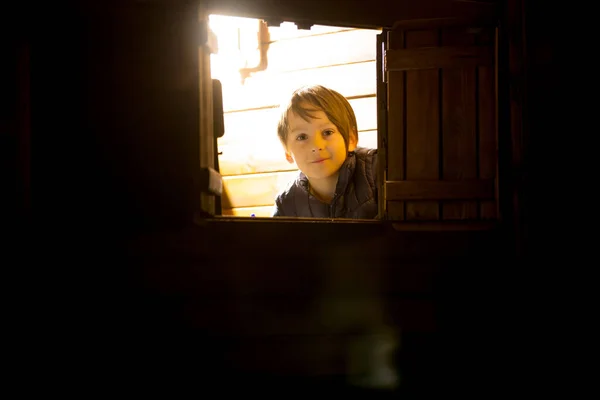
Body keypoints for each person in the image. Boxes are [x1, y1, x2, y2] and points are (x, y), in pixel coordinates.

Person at [272, 85, 378, 218]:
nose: (316, 146)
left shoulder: (375, 170)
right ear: (288, 153)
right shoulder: (287, 204)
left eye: (327, 132)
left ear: (351, 139)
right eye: (302, 137)